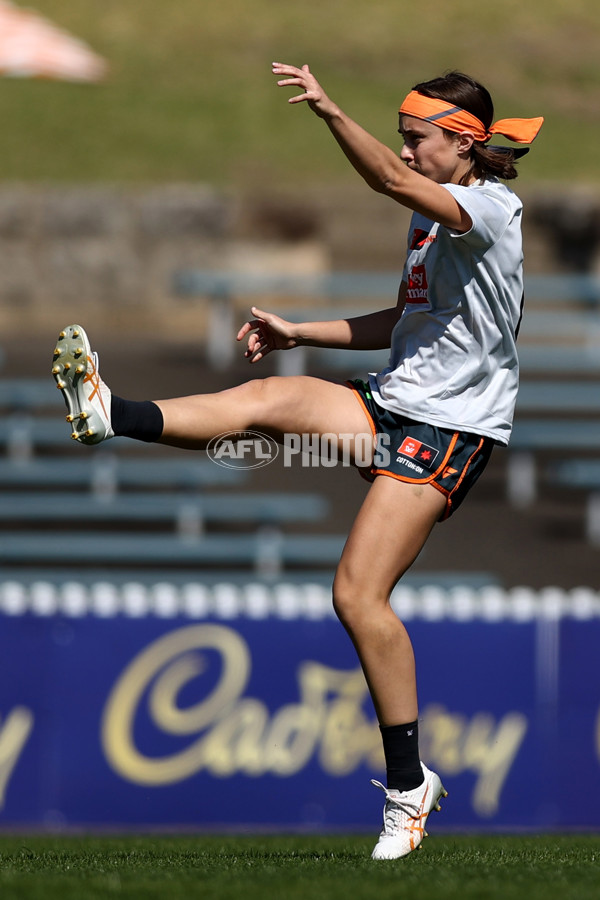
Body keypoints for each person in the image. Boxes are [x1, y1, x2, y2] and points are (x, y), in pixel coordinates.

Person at [51, 62, 542, 859]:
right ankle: (112, 414)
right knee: (270, 401)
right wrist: (299, 333)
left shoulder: (486, 208)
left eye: (416, 138)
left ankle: (409, 787)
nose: (406, 151)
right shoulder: (436, 220)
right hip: (395, 403)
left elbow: (387, 180)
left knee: (357, 595)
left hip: (451, 430)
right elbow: (406, 319)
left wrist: (330, 112)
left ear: (462, 142)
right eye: (402, 138)